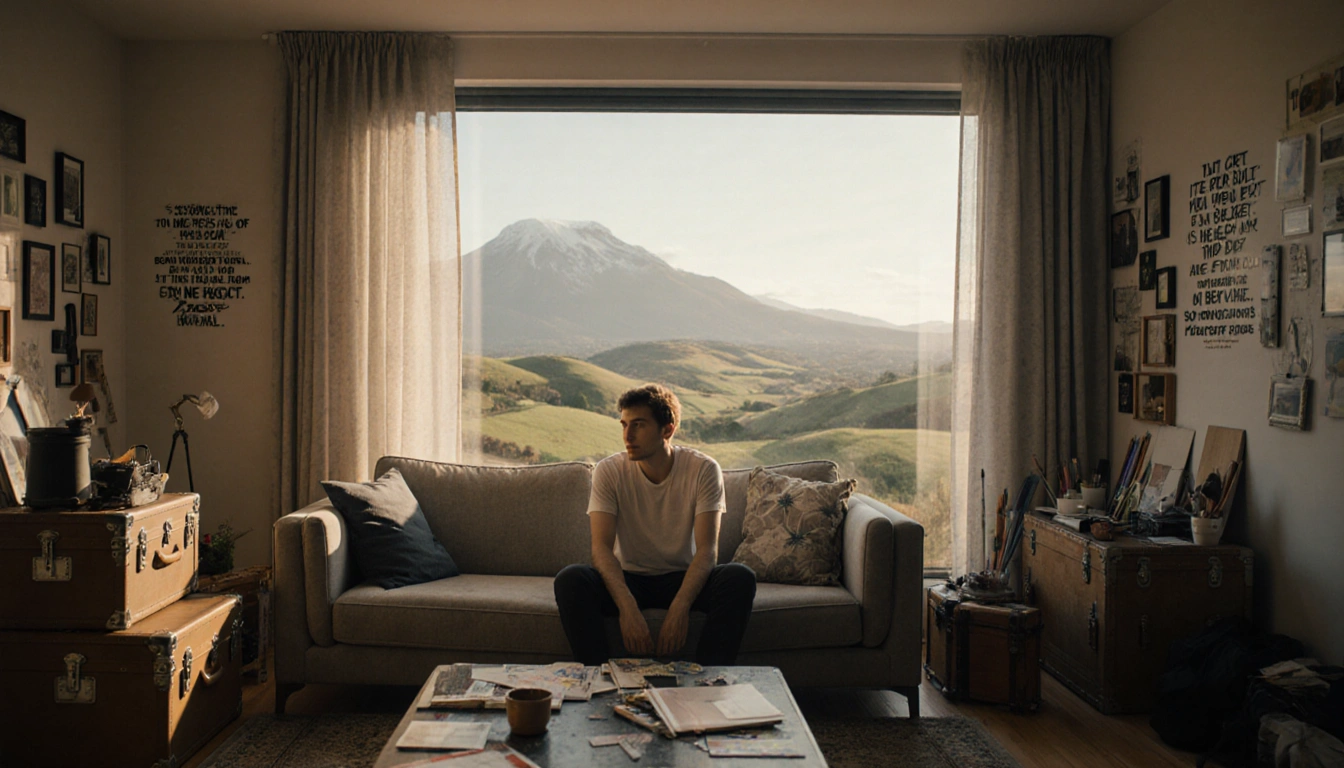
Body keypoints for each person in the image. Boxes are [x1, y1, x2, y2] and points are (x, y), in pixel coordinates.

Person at [554, 384, 756, 666]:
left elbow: (708, 550)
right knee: (571, 579)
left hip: (680, 577)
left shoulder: (704, 469)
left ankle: (709, 679)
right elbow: (601, 549)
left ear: (667, 430)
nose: (628, 435)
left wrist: (680, 608)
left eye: (638, 425)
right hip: (628, 577)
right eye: (624, 425)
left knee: (739, 578)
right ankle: (598, 677)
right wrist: (627, 608)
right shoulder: (609, 471)